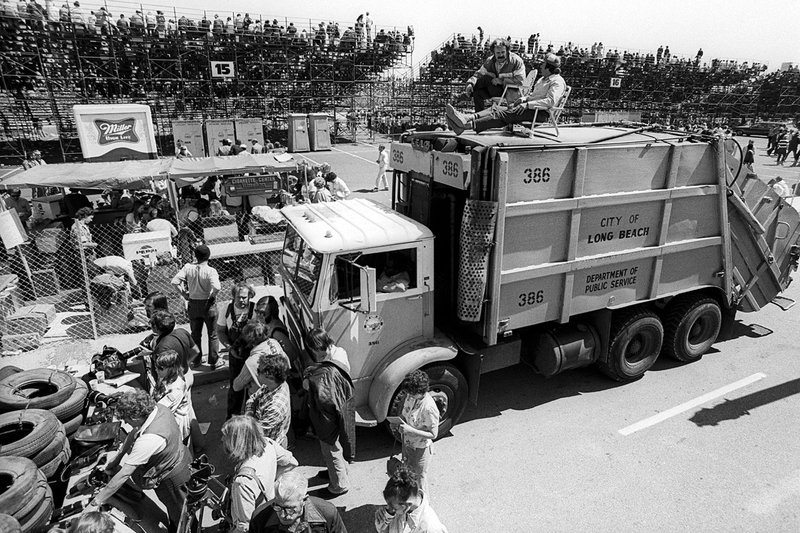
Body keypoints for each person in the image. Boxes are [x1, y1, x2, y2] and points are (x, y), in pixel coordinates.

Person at [87, 390, 191, 533]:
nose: (125, 423)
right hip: (181, 457)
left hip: (172, 480)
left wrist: (96, 501)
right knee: (178, 511)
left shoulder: (149, 439)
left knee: (182, 517)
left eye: (127, 419)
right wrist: (116, 459)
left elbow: (124, 474)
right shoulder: (158, 409)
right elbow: (135, 431)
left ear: (135, 417)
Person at [447, 52, 566, 135]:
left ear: (549, 68)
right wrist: (524, 99)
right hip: (532, 109)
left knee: (504, 115)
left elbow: (550, 102)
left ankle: (465, 126)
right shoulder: (542, 80)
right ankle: (467, 118)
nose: (540, 66)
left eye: (543, 64)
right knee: (497, 109)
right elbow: (534, 96)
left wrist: (527, 105)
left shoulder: (557, 81)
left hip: (540, 113)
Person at [222, 415, 298, 532]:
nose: (222, 439)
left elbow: (245, 526)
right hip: (271, 511)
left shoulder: (243, 482)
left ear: (238, 442)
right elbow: (291, 463)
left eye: (226, 436)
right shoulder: (268, 444)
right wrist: (273, 486)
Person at [304, 328, 355, 496]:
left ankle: (339, 485)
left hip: (328, 413)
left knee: (329, 446)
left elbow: (321, 390)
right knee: (339, 442)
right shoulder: (339, 352)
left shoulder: (327, 367)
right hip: (341, 404)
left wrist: (309, 380)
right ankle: (339, 470)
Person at [390, 370, 439, 495]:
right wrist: (397, 422)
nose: (408, 396)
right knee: (408, 476)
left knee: (419, 480)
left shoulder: (429, 407)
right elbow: (405, 413)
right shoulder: (411, 397)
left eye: (411, 394)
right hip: (407, 444)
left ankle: (422, 506)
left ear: (419, 391)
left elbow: (433, 434)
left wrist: (410, 430)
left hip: (420, 449)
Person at [248, 470, 347, 532]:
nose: (283, 515)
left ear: (304, 500)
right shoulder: (259, 519)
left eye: (290, 509)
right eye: (278, 507)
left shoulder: (328, 513)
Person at [172, 244, 221, 367]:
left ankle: (197, 360)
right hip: (207, 303)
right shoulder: (210, 271)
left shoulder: (188, 267)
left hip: (193, 303)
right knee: (213, 334)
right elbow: (217, 287)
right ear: (208, 256)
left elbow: (174, 281)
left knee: (195, 334)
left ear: (195, 256)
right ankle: (214, 361)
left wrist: (183, 294)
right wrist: (212, 296)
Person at [217, 282, 256, 417]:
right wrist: (229, 347)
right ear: (233, 296)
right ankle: (233, 418)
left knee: (254, 387)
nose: (242, 300)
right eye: (239, 297)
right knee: (235, 388)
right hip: (235, 355)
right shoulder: (226, 310)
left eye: (245, 297)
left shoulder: (256, 310)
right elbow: (221, 331)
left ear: (250, 296)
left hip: (253, 355)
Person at [374, 465, 448, 533]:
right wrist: (383, 524)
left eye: (393, 508)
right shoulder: (400, 506)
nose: (389, 509)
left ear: (406, 506)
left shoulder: (431, 528)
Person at [462, 38, 525, 112]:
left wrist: (501, 81)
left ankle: (467, 95)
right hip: (495, 89)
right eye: (498, 53)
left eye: (503, 52)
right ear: (493, 52)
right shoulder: (490, 61)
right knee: (477, 93)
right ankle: (478, 118)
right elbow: (479, 74)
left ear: (507, 50)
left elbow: (520, 81)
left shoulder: (516, 61)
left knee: (487, 78)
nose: (501, 55)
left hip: (509, 92)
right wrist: (470, 83)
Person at [245, 352, 292, 447]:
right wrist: (249, 414)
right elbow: (253, 398)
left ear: (270, 377)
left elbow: (256, 432)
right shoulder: (272, 385)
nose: (256, 372)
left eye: (258, 370)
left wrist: (247, 418)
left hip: (270, 446)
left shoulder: (275, 407)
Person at [152, 349, 194, 445]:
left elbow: (162, 410)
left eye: (160, 368)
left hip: (176, 423)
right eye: (156, 367)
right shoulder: (166, 376)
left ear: (171, 368)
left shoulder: (176, 389)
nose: (156, 370)